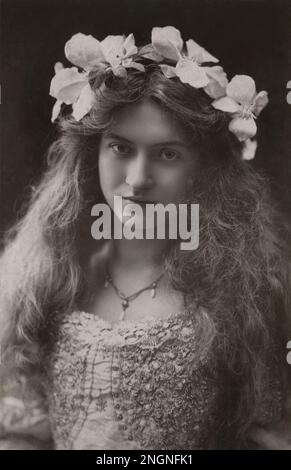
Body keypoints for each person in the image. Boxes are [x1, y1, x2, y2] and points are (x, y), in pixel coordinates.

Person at [0, 26, 290, 450]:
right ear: (92, 153)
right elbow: (20, 435)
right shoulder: (46, 277)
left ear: (202, 169)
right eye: (119, 148)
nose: (136, 181)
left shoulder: (243, 293)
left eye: (167, 154)